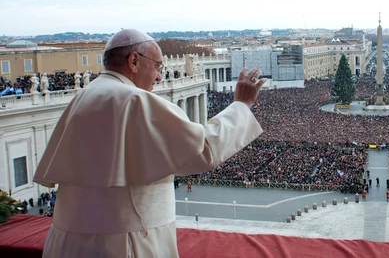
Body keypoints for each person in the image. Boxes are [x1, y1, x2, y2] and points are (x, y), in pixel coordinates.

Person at [33, 29, 267, 258]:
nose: (158, 76)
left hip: (67, 244)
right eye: (157, 66)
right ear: (134, 61)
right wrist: (241, 105)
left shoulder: (83, 97)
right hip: (125, 244)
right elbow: (202, 150)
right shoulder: (133, 100)